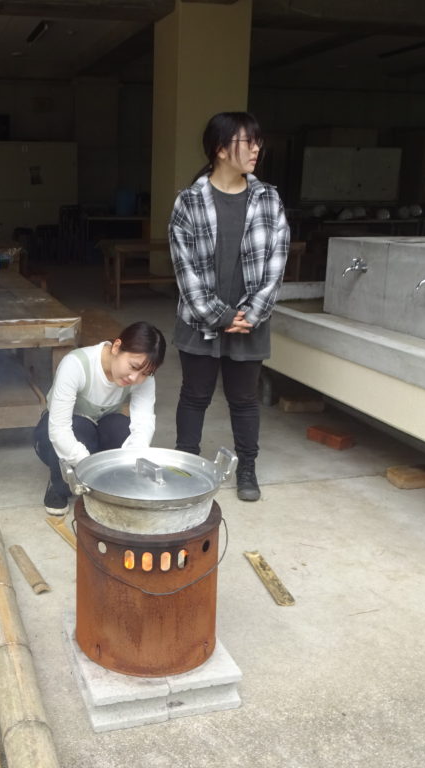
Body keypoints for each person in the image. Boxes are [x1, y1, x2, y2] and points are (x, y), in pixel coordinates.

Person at [168, 112, 289, 502]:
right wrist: (219, 315)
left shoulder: (268, 199)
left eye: (258, 142)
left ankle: (247, 469)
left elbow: (277, 262)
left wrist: (251, 314)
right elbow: (184, 269)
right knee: (195, 396)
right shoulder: (188, 202)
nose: (257, 149)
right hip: (199, 320)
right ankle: (185, 466)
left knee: (244, 399)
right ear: (221, 149)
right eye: (247, 142)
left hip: (250, 322)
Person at [34, 321, 166, 515]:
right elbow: (59, 429)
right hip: (61, 432)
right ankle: (59, 484)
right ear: (117, 347)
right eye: (133, 366)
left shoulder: (143, 378)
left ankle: (110, 481)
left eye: (144, 373)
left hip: (98, 430)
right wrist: (90, 467)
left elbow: (144, 423)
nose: (134, 378)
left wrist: (132, 459)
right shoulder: (76, 364)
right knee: (80, 428)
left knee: (121, 427)